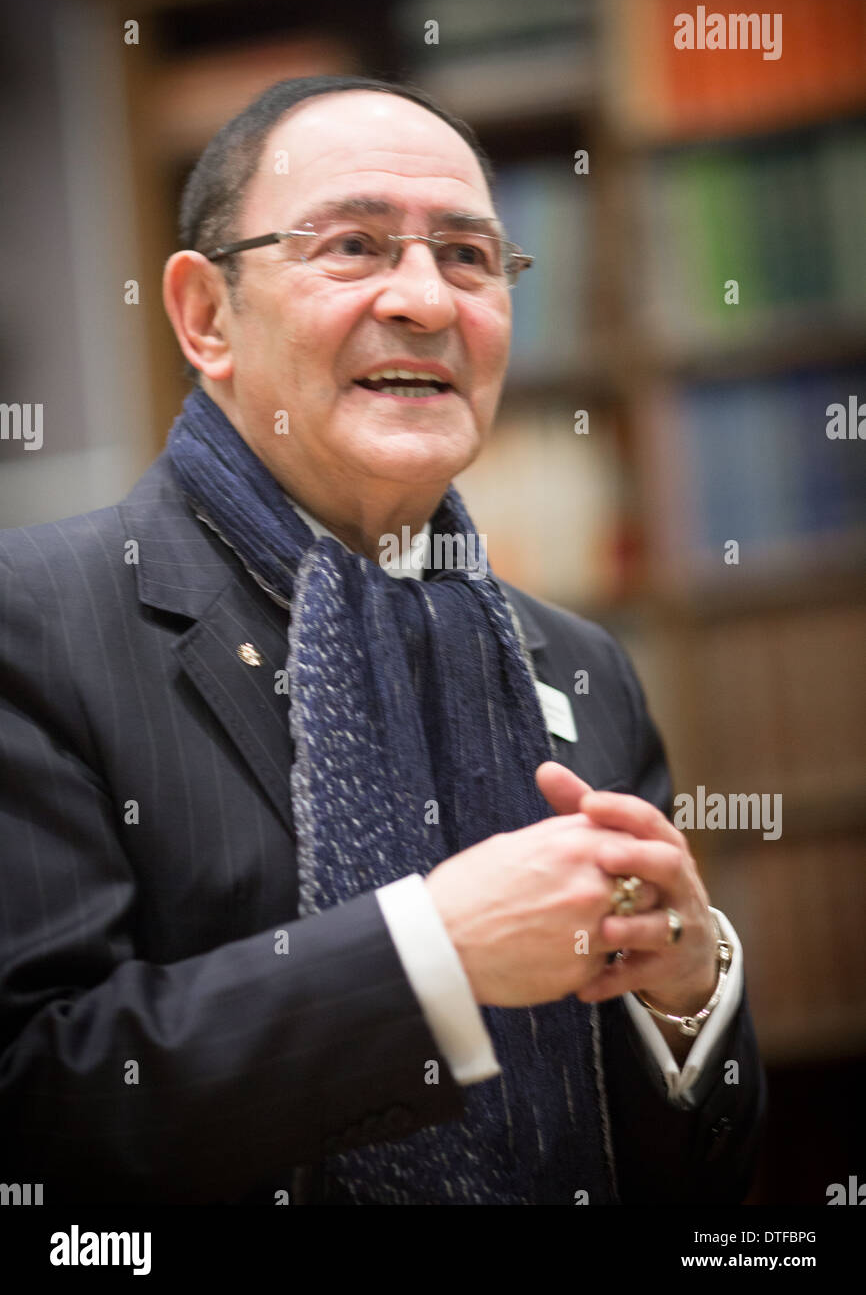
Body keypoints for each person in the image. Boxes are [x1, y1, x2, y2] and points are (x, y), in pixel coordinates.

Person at [0, 75, 765, 1205]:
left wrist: (688, 996)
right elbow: (34, 1098)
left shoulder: (581, 664)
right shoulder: (37, 620)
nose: (427, 300)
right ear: (207, 316)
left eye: (467, 256)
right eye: (352, 245)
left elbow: (696, 1186)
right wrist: (430, 958)